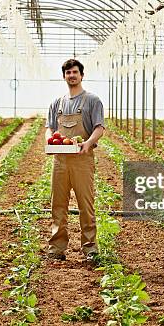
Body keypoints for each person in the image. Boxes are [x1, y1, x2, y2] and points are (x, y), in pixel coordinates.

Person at [45, 59, 105, 263]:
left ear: (82, 75)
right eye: (68, 72)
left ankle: (90, 248)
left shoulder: (92, 101)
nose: (72, 75)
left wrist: (88, 143)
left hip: (82, 160)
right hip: (60, 160)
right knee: (58, 205)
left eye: (75, 72)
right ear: (64, 76)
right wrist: (49, 139)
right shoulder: (57, 103)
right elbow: (50, 128)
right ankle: (56, 247)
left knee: (85, 205)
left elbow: (99, 127)